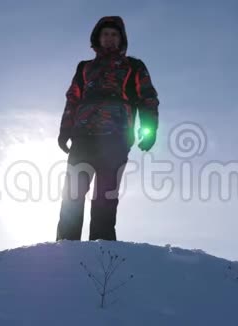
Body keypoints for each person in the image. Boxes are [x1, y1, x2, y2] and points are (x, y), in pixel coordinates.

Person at [56, 16, 160, 241]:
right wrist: (65, 131)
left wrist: (149, 129)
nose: (110, 38)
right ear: (98, 38)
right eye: (105, 34)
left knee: (106, 197)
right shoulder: (84, 68)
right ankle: (64, 248)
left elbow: (148, 97)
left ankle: (101, 250)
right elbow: (72, 99)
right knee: (72, 195)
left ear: (121, 39)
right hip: (83, 137)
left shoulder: (133, 66)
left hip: (116, 138)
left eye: (114, 34)